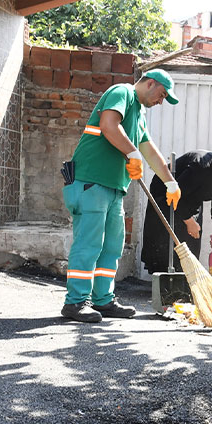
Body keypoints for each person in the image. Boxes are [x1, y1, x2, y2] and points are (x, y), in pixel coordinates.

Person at [61, 69, 183, 323]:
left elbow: (148, 149)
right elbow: (108, 125)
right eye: (162, 95)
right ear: (150, 83)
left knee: (111, 247)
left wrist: (170, 181)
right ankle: (75, 303)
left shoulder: (139, 113)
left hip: (114, 188)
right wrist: (132, 153)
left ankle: (103, 300)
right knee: (89, 245)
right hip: (91, 183)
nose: (161, 101)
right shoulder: (122, 92)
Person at [141, 147, 212, 273]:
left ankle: (185, 277)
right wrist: (189, 222)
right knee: (167, 238)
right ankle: (165, 279)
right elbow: (176, 195)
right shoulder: (200, 167)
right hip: (166, 193)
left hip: (191, 198)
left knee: (192, 238)